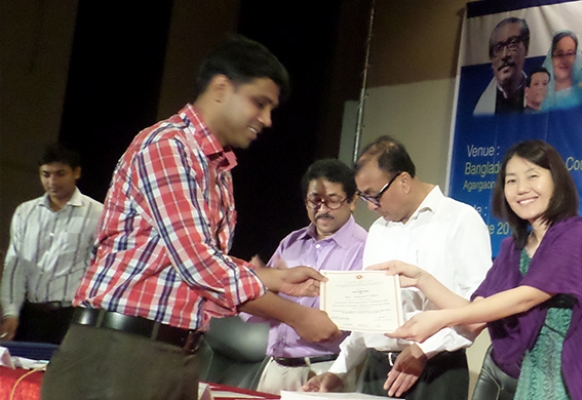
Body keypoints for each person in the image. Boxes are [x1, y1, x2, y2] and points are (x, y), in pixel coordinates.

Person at [40, 35, 341, 400]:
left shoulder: (217, 168)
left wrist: (274, 278)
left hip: (172, 353)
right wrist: (297, 316)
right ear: (221, 88)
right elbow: (198, 264)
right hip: (119, 352)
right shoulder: (168, 146)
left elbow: (189, 261)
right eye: (259, 103)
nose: (266, 120)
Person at [379, 140, 582, 400]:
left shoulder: (578, 235)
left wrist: (441, 319)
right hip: (532, 381)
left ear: (556, 181)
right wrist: (422, 279)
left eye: (532, 176)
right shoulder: (514, 248)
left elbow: (526, 297)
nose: (521, 189)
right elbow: (475, 316)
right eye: (511, 180)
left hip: (581, 380)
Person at [302, 136, 491, 399]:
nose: (371, 206)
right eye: (364, 197)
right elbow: (369, 314)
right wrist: (339, 370)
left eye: (375, 195)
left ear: (403, 181)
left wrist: (423, 351)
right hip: (378, 370)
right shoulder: (379, 230)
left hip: (437, 371)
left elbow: (479, 309)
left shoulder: (460, 220)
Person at [246, 159, 368, 394]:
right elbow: (254, 305)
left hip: (325, 371)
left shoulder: (364, 248)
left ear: (353, 201)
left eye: (333, 200)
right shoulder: (291, 242)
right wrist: (262, 283)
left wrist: (274, 295)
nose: (322, 209)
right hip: (275, 367)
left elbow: (336, 325)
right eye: (315, 200)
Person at [1, 145, 103, 345]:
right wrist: (10, 312)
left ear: (77, 172)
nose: (52, 181)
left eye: (60, 174)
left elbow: (101, 269)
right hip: (30, 314)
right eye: (46, 174)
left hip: (72, 316)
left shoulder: (97, 213)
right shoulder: (25, 212)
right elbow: (15, 267)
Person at [474, 17, 530, 116]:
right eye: (498, 48)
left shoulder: (544, 99)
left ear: (526, 49)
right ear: (491, 59)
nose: (504, 55)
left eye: (512, 44)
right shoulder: (477, 107)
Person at [540, 30, 582, 111]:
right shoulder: (538, 89)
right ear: (551, 58)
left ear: (576, 57)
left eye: (570, 54)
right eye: (559, 54)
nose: (564, 60)